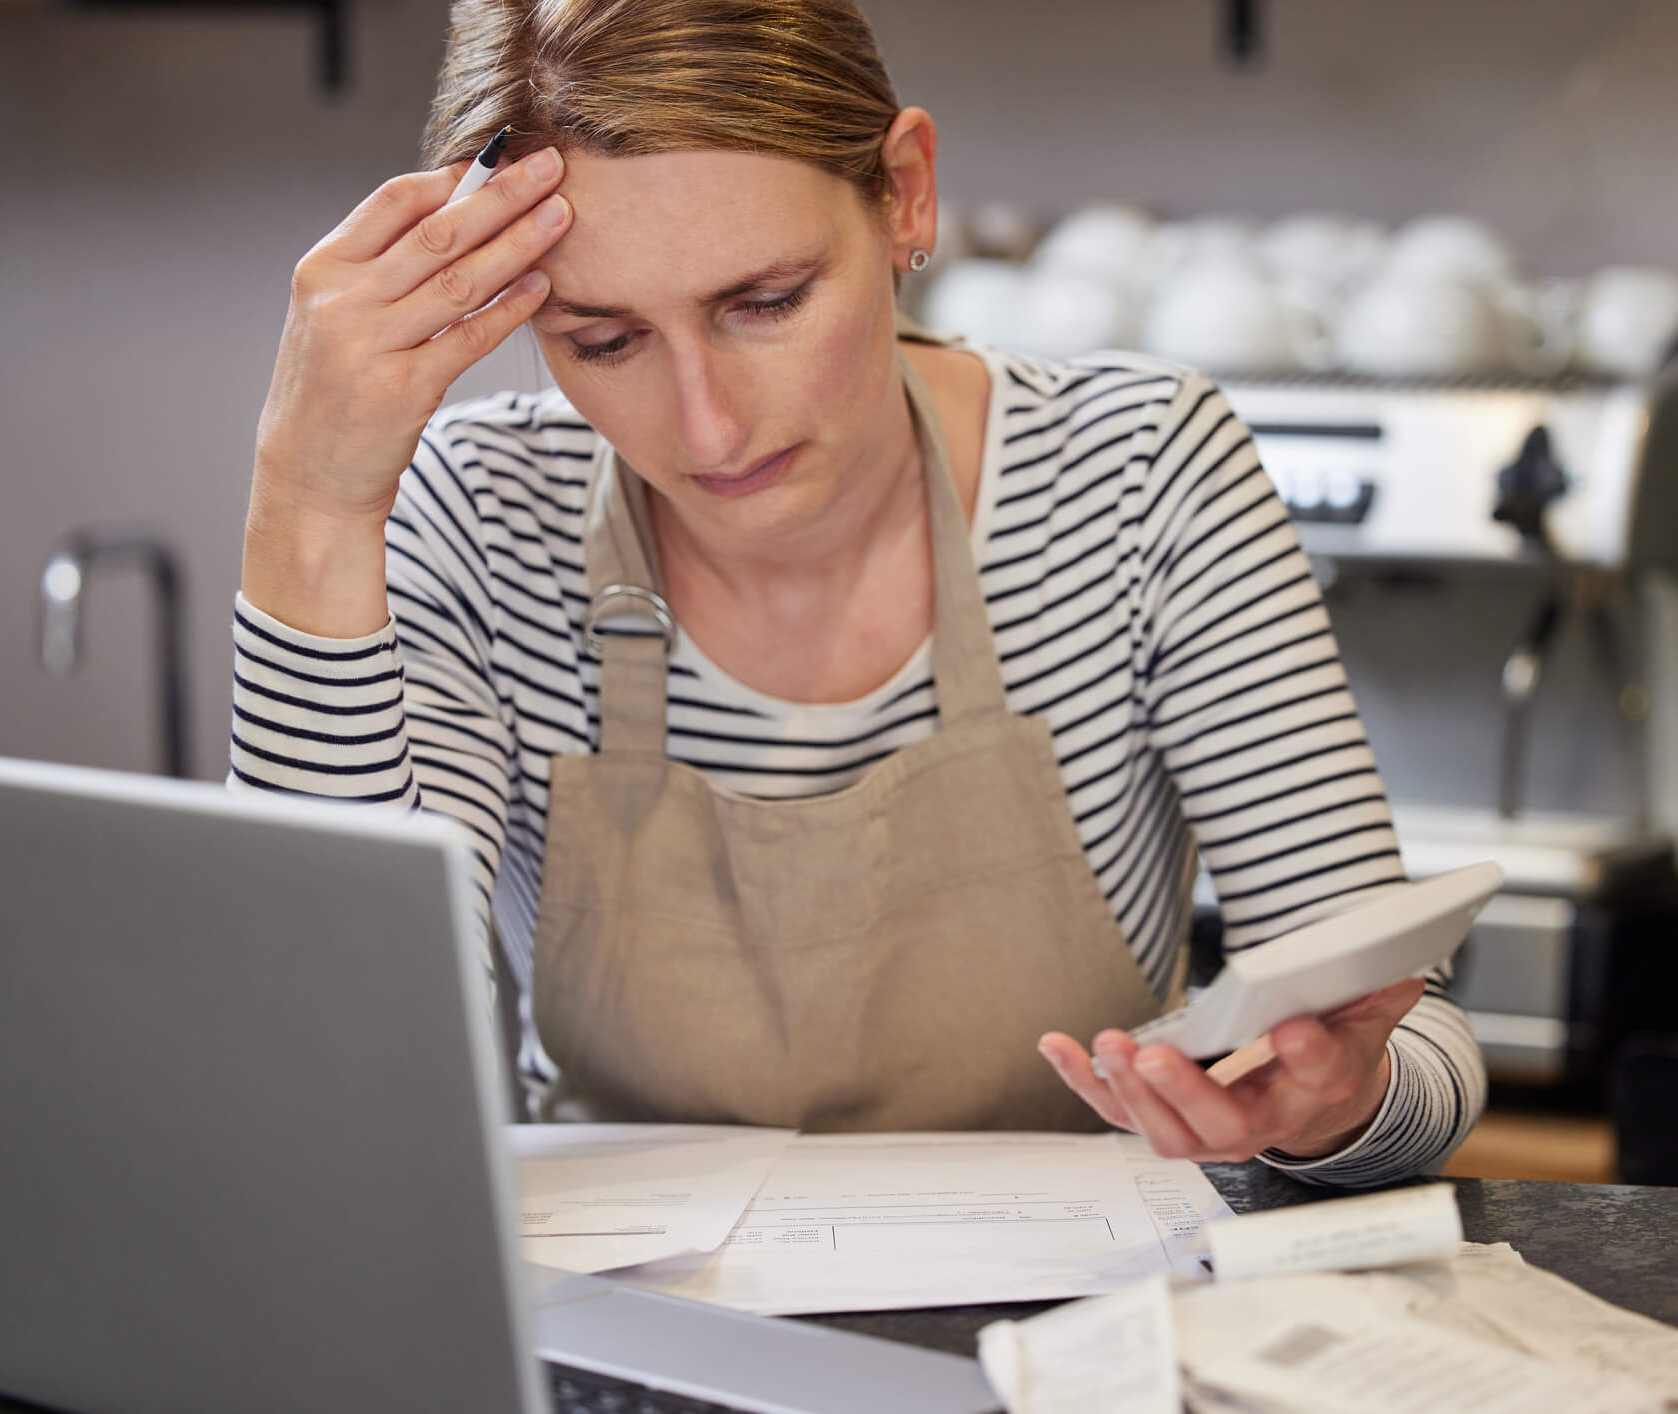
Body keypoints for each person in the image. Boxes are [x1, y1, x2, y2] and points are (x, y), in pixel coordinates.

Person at [233, 0, 1482, 1183]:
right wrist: (310, 502)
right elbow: (326, 1072)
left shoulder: (1136, 474)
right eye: (601, 343)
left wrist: (1334, 1106)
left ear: (904, 194)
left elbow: (1411, 1040)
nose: (707, 427)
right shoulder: (479, 515)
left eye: (764, 303)